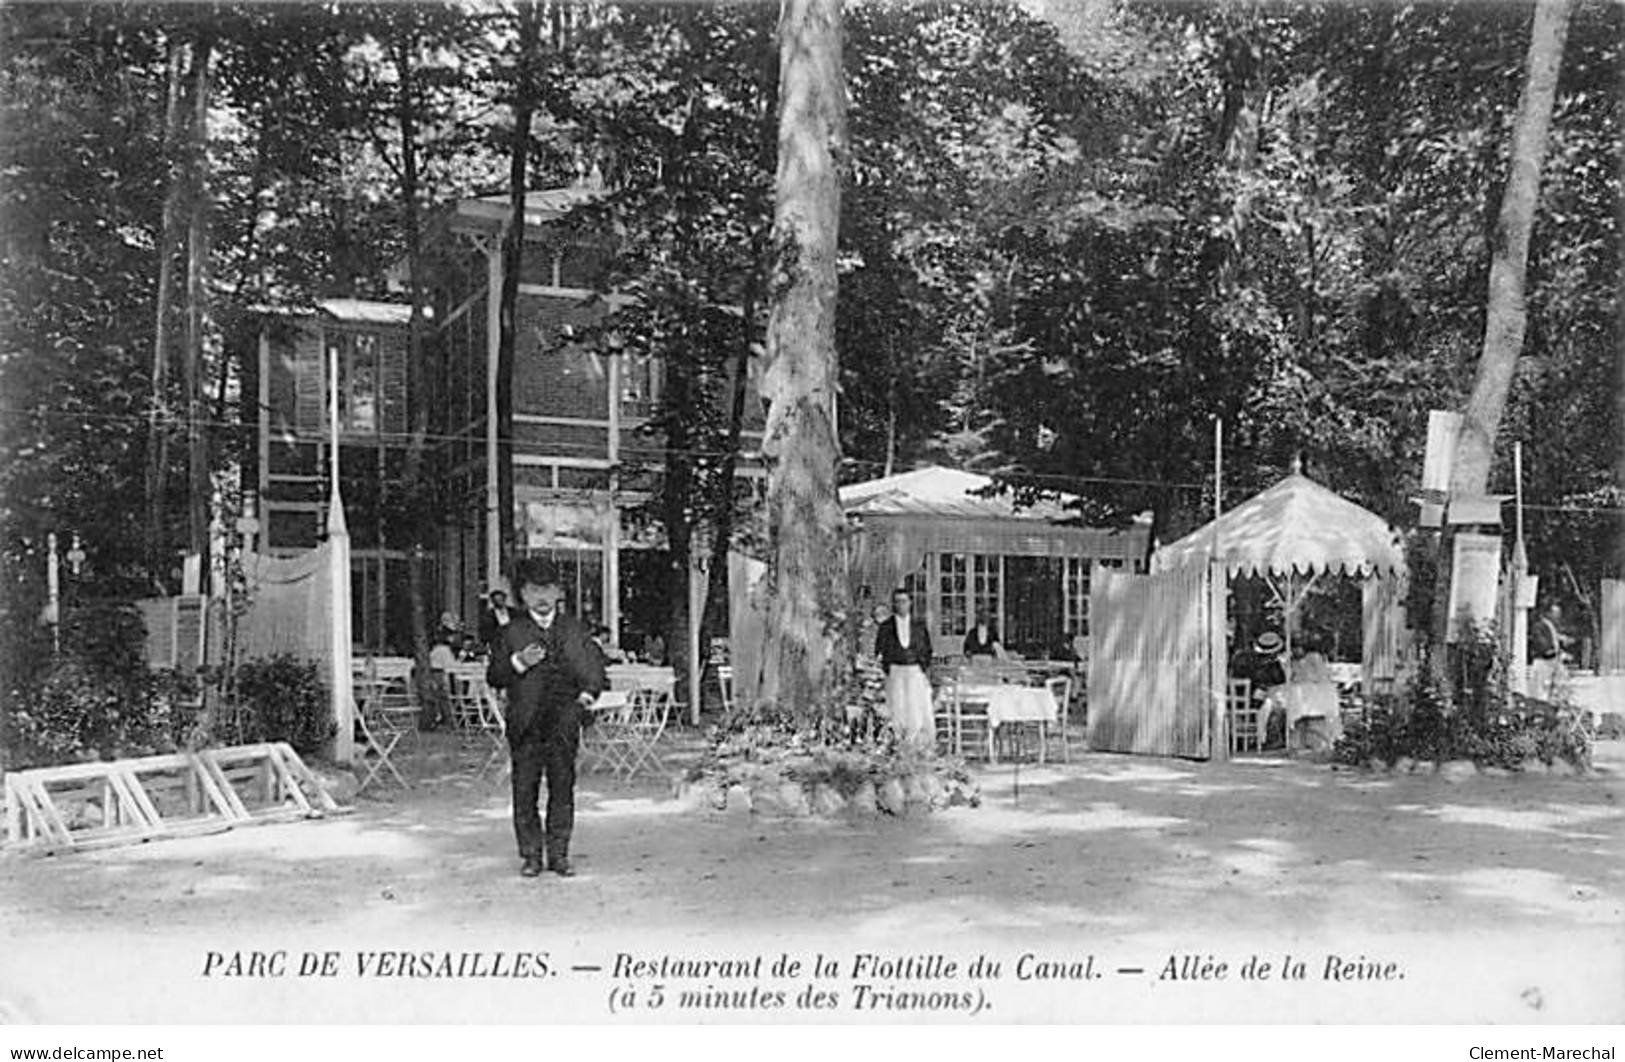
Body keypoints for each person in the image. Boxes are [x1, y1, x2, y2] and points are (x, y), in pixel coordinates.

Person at [486, 558, 606, 878]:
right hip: (525, 723)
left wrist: (585, 698)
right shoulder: (510, 631)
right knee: (524, 791)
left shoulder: (574, 628)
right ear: (523, 594)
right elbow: (495, 676)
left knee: (562, 787)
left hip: (563, 722)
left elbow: (595, 670)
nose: (541, 596)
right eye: (534, 589)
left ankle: (559, 854)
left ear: (559, 592)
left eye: (548, 589)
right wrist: (518, 662)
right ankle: (530, 856)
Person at [873, 587, 934, 746]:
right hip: (895, 671)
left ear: (910, 603)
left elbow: (927, 650)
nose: (901, 605)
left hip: (914, 671)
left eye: (904, 601)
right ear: (894, 604)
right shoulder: (886, 627)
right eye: (897, 602)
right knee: (897, 708)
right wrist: (887, 670)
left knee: (915, 709)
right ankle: (897, 742)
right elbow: (879, 651)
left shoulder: (919, 626)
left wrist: (922, 668)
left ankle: (915, 743)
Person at [1529, 602, 1571, 702]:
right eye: (1556, 613)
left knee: (1558, 687)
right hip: (1543, 661)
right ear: (1549, 613)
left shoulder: (1551, 626)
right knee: (1542, 689)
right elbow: (1541, 643)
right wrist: (1550, 650)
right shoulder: (1540, 626)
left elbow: (1553, 640)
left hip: (1553, 660)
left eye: (1559, 613)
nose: (1558, 616)